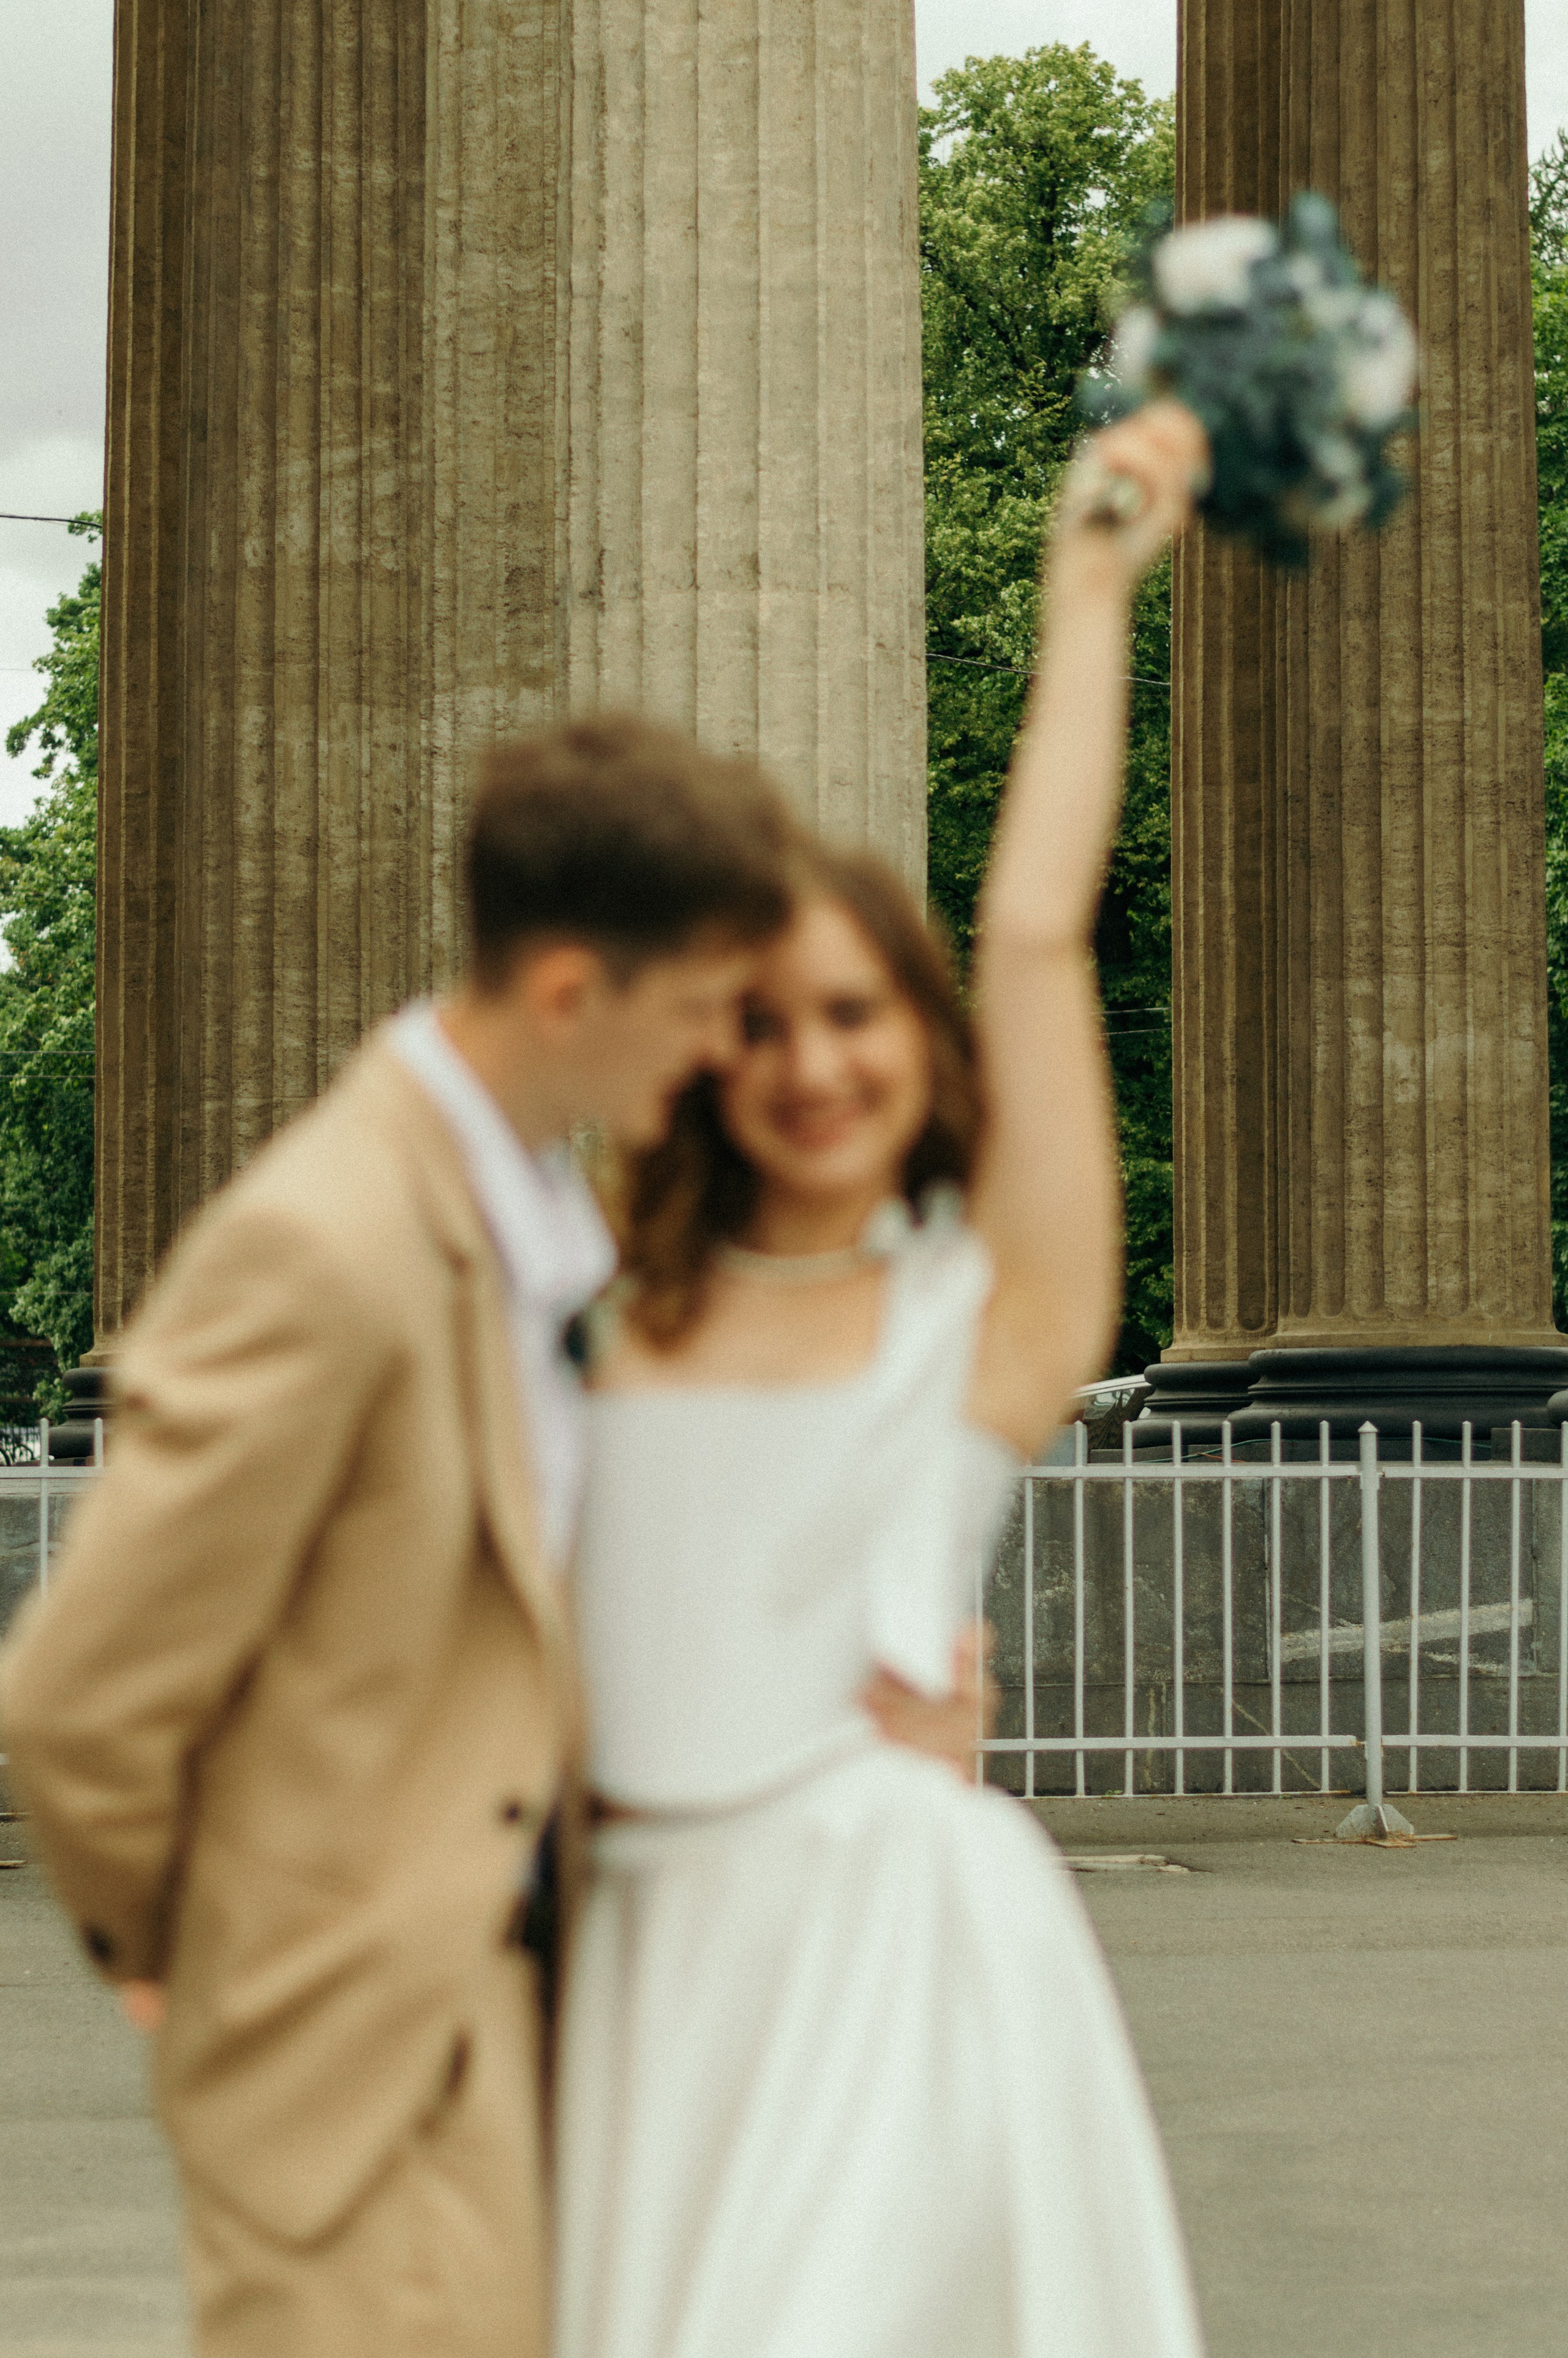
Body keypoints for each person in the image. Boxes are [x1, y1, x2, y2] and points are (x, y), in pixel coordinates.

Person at [0, 722, 981, 2358]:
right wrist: (212, 1972)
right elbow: (78, 1695)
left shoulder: (519, 1222)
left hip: (515, 2043)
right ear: (572, 993)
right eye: (703, 1008)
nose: (721, 1054)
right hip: (357, 2088)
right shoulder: (331, 1243)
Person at [554, 402, 1211, 2358]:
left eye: (855, 1012)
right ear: (700, 1054)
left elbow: (1036, 931)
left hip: (890, 1959)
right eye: (761, 1021)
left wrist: (1088, 590)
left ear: (921, 1042)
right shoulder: (603, 1332)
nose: (814, 1061)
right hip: (640, 1967)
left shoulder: (983, 1323)